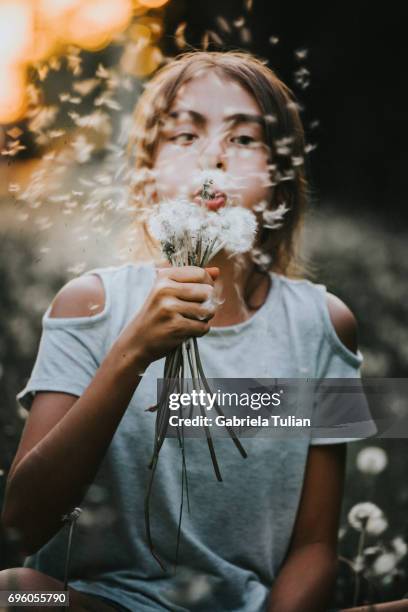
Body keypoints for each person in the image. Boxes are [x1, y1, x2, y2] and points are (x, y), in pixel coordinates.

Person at [1, 50, 381, 612]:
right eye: (184, 135)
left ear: (280, 185)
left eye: (244, 139)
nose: (213, 158)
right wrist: (132, 352)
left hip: (250, 609)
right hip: (101, 604)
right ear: (148, 174)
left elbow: (315, 545)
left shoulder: (325, 325)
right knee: (14, 596)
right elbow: (23, 523)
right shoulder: (91, 305)